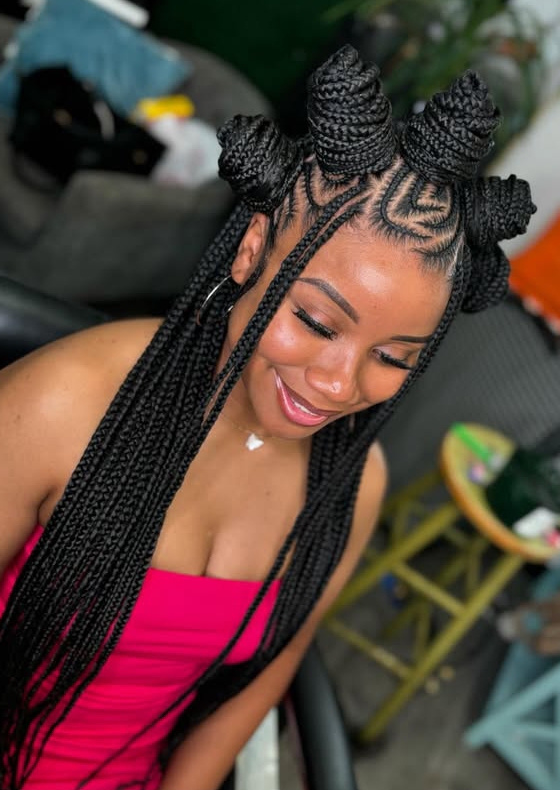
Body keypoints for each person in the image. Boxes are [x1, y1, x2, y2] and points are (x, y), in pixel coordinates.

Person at [0, 45, 536, 790]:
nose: (337, 385)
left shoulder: (350, 486)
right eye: (316, 322)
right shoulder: (62, 403)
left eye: (393, 357)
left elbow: (250, 695)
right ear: (252, 251)